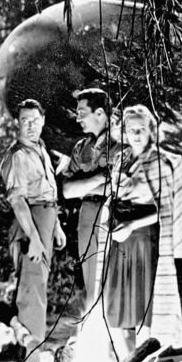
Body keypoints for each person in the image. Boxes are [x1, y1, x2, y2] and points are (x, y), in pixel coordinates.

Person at [98, 104, 182, 360]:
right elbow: (113, 197)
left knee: (143, 310)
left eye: (141, 129)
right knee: (117, 310)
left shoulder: (161, 162)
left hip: (144, 241)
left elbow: (164, 210)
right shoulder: (122, 159)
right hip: (119, 242)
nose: (136, 135)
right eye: (131, 130)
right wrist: (109, 221)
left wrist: (131, 225)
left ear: (151, 131)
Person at [0, 98, 67, 362]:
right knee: (31, 290)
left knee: (39, 287)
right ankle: (31, 360)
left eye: (35, 120)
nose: (30, 126)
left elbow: (48, 191)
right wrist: (36, 240)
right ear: (17, 123)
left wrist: (56, 226)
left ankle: (31, 350)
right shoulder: (17, 155)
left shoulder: (40, 149)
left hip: (46, 219)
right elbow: (18, 201)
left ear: (43, 121)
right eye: (24, 121)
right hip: (30, 223)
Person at [63, 88, 118, 313]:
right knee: (90, 274)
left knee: (113, 274)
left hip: (113, 214)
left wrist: (84, 185)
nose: (77, 118)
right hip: (87, 216)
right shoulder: (80, 148)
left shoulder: (121, 144)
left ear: (100, 114)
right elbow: (67, 191)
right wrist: (99, 178)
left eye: (82, 113)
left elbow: (119, 186)